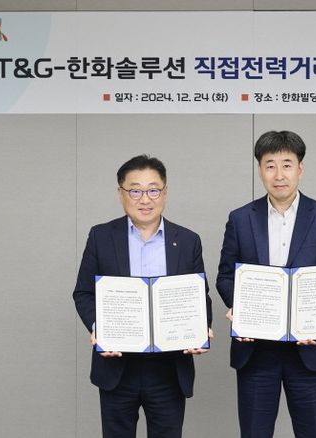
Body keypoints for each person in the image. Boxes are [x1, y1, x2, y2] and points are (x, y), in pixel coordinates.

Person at [216, 131, 316, 438]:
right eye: (270, 165)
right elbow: (225, 276)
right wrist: (240, 308)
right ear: (260, 170)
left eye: (287, 165)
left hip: (308, 350)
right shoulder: (240, 218)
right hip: (255, 350)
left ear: (300, 169)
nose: (279, 175)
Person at [73, 154, 212, 438]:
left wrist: (201, 328)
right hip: (117, 366)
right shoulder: (101, 236)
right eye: (135, 191)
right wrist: (100, 328)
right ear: (120, 193)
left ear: (165, 192)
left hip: (169, 369)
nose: (145, 199)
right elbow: (83, 292)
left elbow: (200, 295)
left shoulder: (188, 240)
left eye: (153, 190)